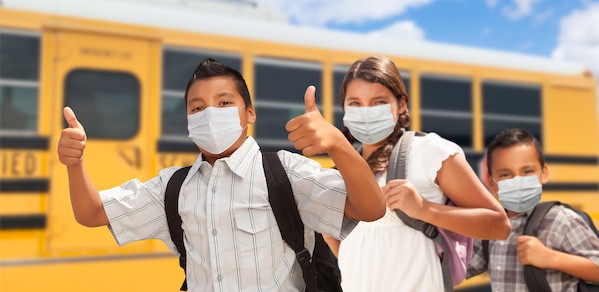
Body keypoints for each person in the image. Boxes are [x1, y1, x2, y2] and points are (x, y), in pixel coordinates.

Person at [57, 58, 386, 291]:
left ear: (250, 113)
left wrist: (340, 146)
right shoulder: (173, 188)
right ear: (188, 121)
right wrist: (75, 164)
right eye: (197, 108)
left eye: (225, 102)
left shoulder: (285, 172)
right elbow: (92, 212)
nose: (210, 114)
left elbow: (371, 209)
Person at [323, 56, 511, 291]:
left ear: (401, 104)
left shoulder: (429, 151)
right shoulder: (343, 171)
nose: (366, 112)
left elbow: (499, 225)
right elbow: (344, 245)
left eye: (378, 101)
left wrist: (423, 208)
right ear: (344, 109)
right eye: (355, 103)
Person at [467, 128, 599, 291]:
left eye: (527, 171)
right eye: (505, 175)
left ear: (544, 173)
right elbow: (458, 269)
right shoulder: (492, 229)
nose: (517, 181)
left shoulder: (560, 219)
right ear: (492, 183)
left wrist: (551, 258)